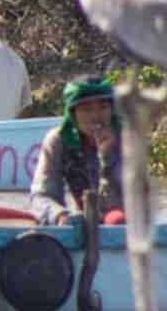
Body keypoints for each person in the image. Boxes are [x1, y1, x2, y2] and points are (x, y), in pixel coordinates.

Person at [29, 76, 123, 224]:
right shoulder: (59, 141)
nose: (96, 117)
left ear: (112, 111)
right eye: (86, 109)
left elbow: (126, 203)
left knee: (116, 219)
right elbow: (41, 196)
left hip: (124, 225)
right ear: (72, 114)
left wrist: (106, 158)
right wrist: (60, 216)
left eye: (103, 107)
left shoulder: (127, 141)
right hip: (83, 223)